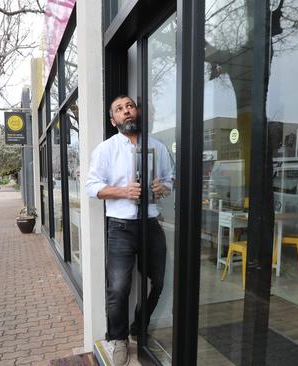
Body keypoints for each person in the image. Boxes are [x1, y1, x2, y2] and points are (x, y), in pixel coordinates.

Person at [86, 95, 174, 366]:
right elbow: (92, 187)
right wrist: (123, 191)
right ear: (114, 121)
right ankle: (119, 339)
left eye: (130, 107)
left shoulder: (157, 147)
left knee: (158, 283)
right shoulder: (105, 149)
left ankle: (139, 328)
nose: (127, 112)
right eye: (120, 109)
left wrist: (164, 187)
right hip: (121, 227)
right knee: (119, 288)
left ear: (137, 113)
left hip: (150, 224)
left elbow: (172, 179)